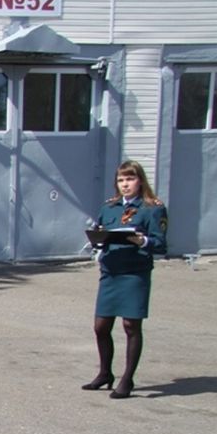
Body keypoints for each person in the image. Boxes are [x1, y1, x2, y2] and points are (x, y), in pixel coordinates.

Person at [82, 160, 168, 399]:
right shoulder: (110, 207)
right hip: (110, 271)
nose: (125, 184)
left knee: (131, 326)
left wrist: (143, 241)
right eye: (121, 180)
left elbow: (160, 243)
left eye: (130, 179)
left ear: (140, 181)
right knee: (101, 327)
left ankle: (127, 379)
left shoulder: (153, 208)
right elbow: (100, 233)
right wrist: (96, 239)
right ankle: (104, 373)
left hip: (134, 272)